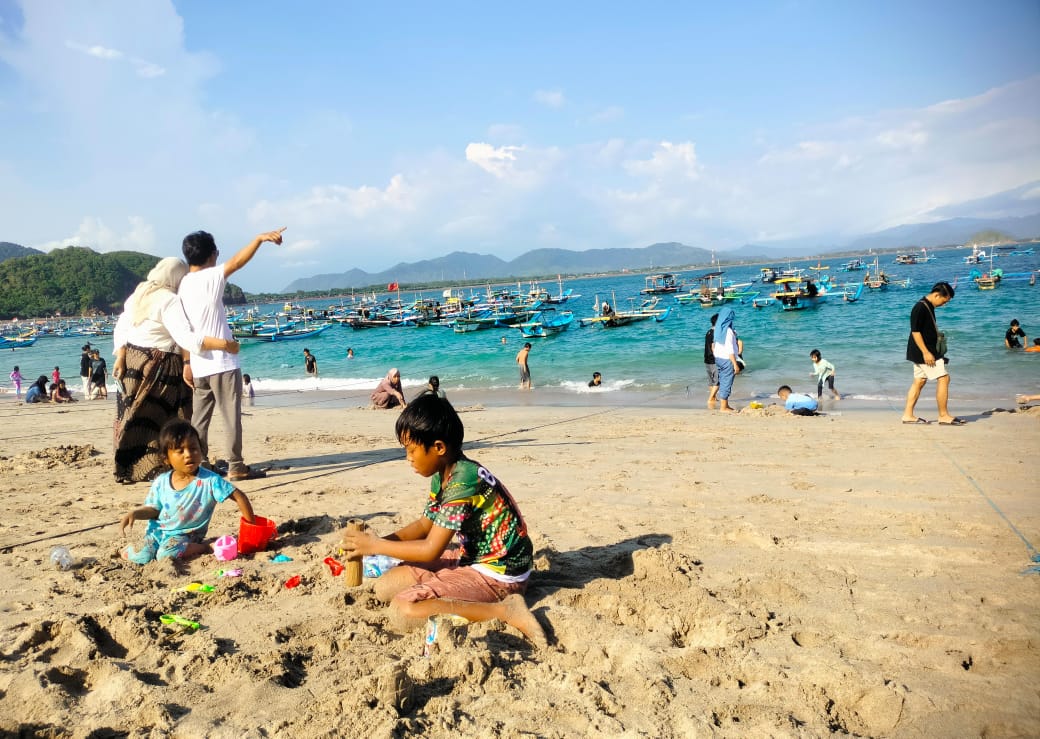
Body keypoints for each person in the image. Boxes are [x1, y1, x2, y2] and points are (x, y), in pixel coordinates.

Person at [340, 394, 546, 647]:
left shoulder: (464, 480)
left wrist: (374, 546)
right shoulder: (444, 473)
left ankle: (505, 610)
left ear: (438, 447)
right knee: (385, 586)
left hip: (500, 573)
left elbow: (430, 549)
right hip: (470, 556)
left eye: (411, 449)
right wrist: (374, 544)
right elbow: (425, 525)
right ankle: (448, 590)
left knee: (403, 610)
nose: (408, 458)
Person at [112, 257, 240, 485]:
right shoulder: (169, 300)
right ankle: (158, 466)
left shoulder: (139, 293)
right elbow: (186, 338)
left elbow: (122, 326)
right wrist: (224, 344)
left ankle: (127, 466)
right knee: (168, 417)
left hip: (133, 361)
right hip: (158, 364)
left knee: (133, 415)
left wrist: (120, 355)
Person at [179, 228, 285, 482]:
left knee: (199, 419)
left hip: (198, 362)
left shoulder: (183, 284)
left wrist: (186, 362)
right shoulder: (211, 277)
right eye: (216, 252)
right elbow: (238, 262)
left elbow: (184, 330)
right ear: (211, 255)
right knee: (230, 417)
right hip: (222, 363)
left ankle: (198, 463)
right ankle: (236, 465)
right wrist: (259, 238)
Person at [120, 419, 256, 564]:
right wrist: (135, 513)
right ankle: (122, 550)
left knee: (165, 555)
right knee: (142, 556)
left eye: (193, 448)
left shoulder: (210, 480)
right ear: (166, 459)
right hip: (157, 533)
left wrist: (251, 529)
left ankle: (203, 547)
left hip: (186, 536)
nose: (188, 455)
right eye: (180, 451)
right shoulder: (161, 481)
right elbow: (154, 510)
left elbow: (239, 496)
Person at [902, 281, 961, 425]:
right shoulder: (920, 308)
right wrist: (926, 353)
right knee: (944, 378)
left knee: (919, 381)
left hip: (920, 351)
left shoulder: (928, 306)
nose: (944, 304)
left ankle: (907, 415)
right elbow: (915, 332)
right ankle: (943, 415)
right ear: (936, 295)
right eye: (944, 300)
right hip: (923, 352)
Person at [711, 307, 741, 413]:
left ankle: (725, 405)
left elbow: (714, 345)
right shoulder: (727, 331)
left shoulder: (719, 329)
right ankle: (723, 407)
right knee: (726, 382)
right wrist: (735, 364)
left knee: (723, 380)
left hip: (719, 358)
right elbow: (729, 349)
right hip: (726, 359)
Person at [704, 314, 719, 408]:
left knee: (711, 380)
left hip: (706, 358)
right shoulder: (715, 333)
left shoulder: (708, 332)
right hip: (714, 359)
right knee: (718, 381)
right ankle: (710, 398)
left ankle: (714, 397)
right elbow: (714, 348)